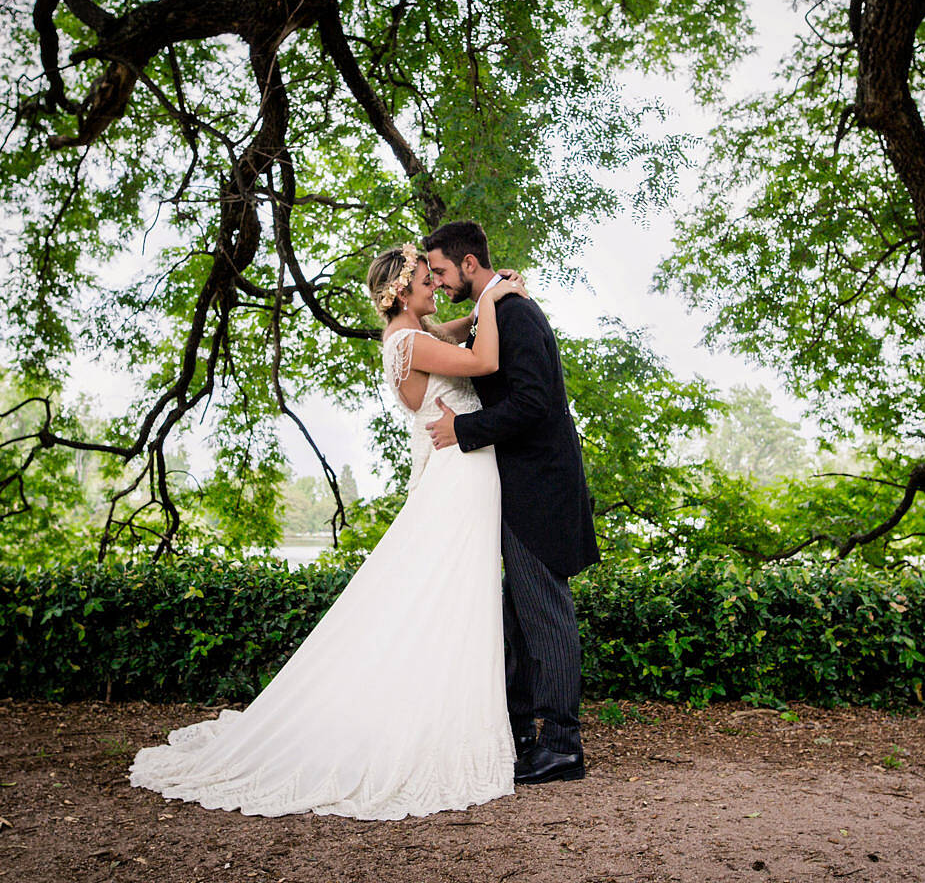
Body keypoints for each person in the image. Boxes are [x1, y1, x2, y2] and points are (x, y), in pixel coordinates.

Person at [128, 242, 528, 820]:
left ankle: (453, 717)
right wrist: (495, 293)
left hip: (462, 475)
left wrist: (481, 302)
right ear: (398, 292)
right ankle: (443, 730)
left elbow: (457, 325)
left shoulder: (416, 334)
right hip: (459, 478)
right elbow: (486, 360)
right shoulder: (410, 342)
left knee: (454, 600)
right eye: (424, 280)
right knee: (453, 599)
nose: (434, 287)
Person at [422, 219, 600, 785]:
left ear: (469, 264)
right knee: (521, 618)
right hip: (519, 486)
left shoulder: (517, 314)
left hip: (539, 489)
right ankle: (523, 731)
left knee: (546, 616)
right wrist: (488, 301)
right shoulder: (498, 309)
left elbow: (531, 404)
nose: (440, 282)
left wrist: (463, 429)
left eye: (444, 272)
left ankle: (563, 744)